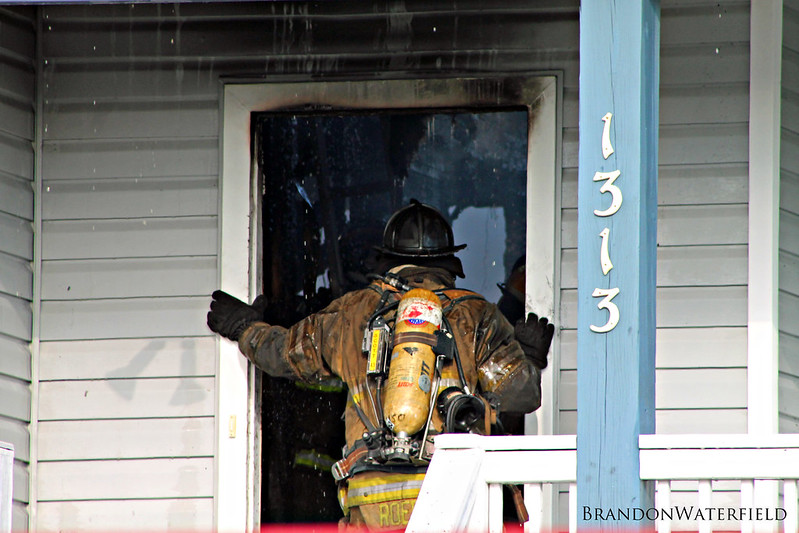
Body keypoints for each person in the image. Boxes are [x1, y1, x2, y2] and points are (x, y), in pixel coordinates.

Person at [207, 200, 552, 529]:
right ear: (450, 264)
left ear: (387, 261)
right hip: (451, 496)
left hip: (370, 503)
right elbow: (519, 396)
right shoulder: (476, 315)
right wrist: (530, 357)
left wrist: (243, 327)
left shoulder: (351, 313)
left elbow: (282, 355)